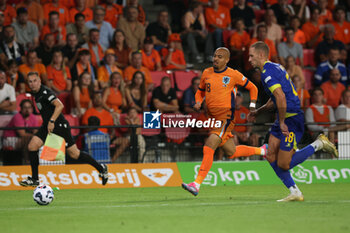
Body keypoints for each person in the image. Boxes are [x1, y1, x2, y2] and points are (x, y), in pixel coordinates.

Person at [247, 41, 338, 202]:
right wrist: (258, 111)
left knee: (283, 164)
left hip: (292, 119)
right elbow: (275, 97)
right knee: (270, 155)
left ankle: (319, 144)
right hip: (284, 117)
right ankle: (294, 192)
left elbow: (281, 97)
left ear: (261, 55)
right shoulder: (274, 67)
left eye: (251, 56)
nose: (249, 59)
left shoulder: (268, 73)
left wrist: (281, 122)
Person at [182, 47, 258, 196]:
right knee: (232, 151)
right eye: (215, 55)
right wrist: (198, 101)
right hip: (212, 119)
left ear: (227, 60)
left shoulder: (233, 74)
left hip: (226, 117)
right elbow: (200, 91)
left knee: (209, 145)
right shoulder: (206, 72)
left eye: (220, 57)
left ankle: (196, 184)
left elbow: (253, 87)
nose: (216, 59)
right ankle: (263, 150)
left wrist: (252, 105)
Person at [19, 72, 108, 187]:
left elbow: (60, 105)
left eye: (35, 81)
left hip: (59, 126)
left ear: (40, 81)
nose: (32, 84)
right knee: (32, 146)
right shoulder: (35, 94)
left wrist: (51, 121)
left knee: (74, 154)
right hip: (47, 125)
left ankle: (101, 168)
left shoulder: (45, 92)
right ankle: (35, 179)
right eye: (30, 82)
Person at [2, 99, 38, 165]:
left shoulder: (33, 117)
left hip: (22, 140)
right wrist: (34, 136)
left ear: (32, 109)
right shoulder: (17, 117)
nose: (27, 110)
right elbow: (22, 134)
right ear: (21, 108)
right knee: (27, 139)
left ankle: (31, 161)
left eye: (29, 107)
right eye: (25, 107)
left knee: (32, 140)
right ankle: (27, 161)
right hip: (10, 139)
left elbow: (36, 132)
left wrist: (35, 137)